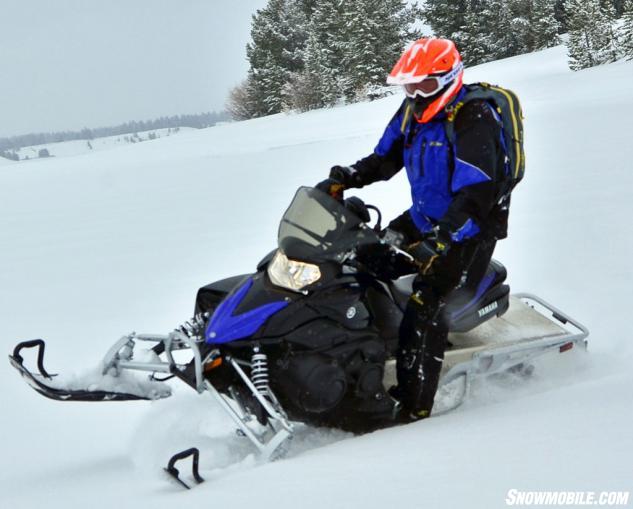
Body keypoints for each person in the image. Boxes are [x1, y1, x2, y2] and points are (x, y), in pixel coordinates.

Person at [316, 38, 511, 423]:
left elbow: (478, 192)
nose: (415, 94)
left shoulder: (473, 116)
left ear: (449, 78)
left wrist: (442, 240)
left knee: (428, 304)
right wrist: (347, 178)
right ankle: (363, 350)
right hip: (425, 217)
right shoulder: (412, 114)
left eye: (423, 85)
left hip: (469, 230)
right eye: (409, 86)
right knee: (365, 256)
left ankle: (413, 404)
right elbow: (385, 158)